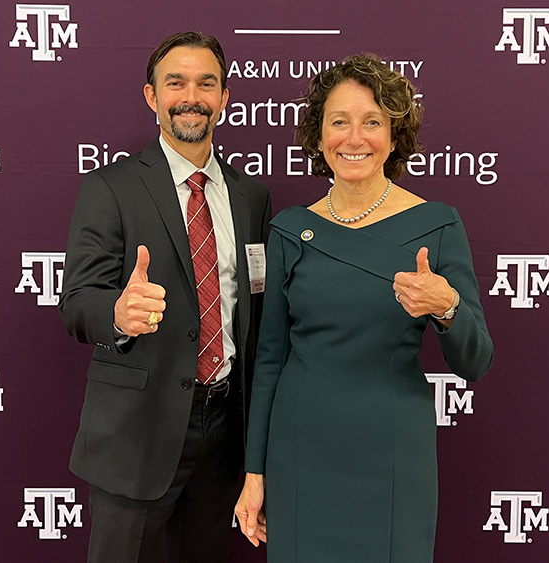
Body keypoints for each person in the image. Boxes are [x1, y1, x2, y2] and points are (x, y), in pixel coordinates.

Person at [234, 54, 494, 562]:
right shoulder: (289, 228)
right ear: (319, 137)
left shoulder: (437, 225)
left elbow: (477, 361)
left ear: (395, 137)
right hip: (300, 448)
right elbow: (268, 361)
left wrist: (447, 308)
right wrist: (255, 471)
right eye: (339, 122)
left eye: (372, 122)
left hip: (392, 448)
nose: (354, 138)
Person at [58, 31, 272, 563]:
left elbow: (257, 308)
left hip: (225, 435)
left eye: (207, 83)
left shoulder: (252, 198)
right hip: (136, 434)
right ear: (152, 97)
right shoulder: (111, 187)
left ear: (225, 98)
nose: (191, 96)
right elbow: (78, 302)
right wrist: (118, 313)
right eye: (175, 82)